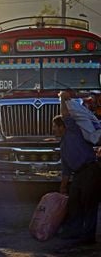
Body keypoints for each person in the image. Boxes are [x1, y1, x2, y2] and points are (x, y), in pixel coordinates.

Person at [52, 91, 100, 245]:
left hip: (91, 170)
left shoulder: (73, 130)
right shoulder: (63, 146)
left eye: (55, 127)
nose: (53, 130)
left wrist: (62, 98)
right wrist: (63, 187)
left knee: (89, 204)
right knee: (74, 202)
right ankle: (75, 232)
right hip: (79, 174)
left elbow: (65, 114)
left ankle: (88, 237)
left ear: (62, 127)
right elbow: (66, 170)